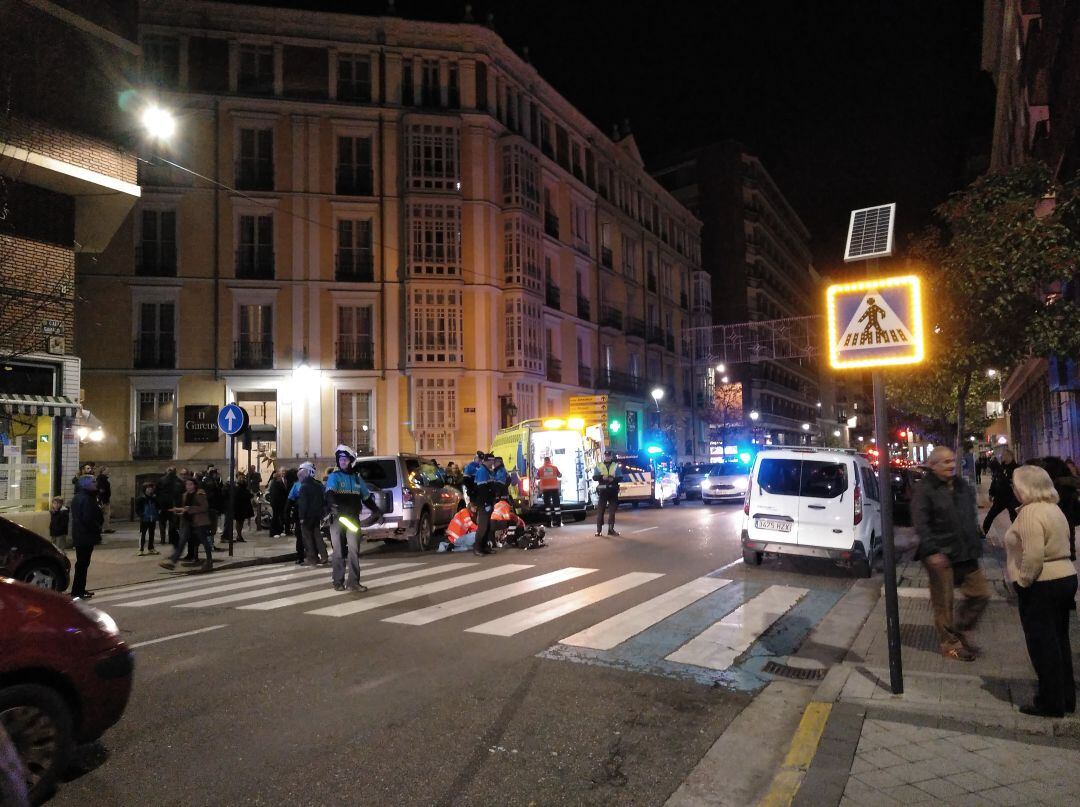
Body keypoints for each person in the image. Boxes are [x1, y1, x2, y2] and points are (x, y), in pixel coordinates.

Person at [999, 464, 1077, 717]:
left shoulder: (1031, 513)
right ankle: (1065, 697)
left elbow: (1033, 556)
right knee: (1059, 641)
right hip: (1064, 577)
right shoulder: (1053, 509)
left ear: (1024, 487)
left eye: (1015, 483)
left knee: (1043, 644)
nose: (1013, 488)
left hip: (1042, 583)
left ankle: (1050, 701)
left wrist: (1022, 581)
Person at [911, 446, 991, 662]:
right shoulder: (925, 488)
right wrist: (932, 551)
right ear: (932, 465)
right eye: (945, 462)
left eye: (952, 461)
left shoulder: (961, 485)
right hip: (940, 554)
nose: (950, 465)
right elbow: (921, 523)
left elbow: (970, 515)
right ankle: (950, 645)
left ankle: (958, 628)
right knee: (943, 602)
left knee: (981, 593)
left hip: (965, 551)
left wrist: (976, 537)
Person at [326, 445, 383, 591]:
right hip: (338, 519)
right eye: (340, 459)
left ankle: (353, 582)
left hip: (353, 519)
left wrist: (376, 511)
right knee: (338, 551)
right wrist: (332, 504)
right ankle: (338, 581)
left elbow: (366, 497)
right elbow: (330, 492)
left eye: (345, 459)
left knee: (354, 551)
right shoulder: (334, 476)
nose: (342, 462)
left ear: (351, 460)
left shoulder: (357, 479)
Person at [160, 476, 213, 572]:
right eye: (187, 484)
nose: (188, 486)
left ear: (195, 485)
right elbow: (186, 508)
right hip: (188, 522)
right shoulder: (185, 495)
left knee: (204, 541)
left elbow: (204, 508)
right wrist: (178, 510)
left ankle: (209, 561)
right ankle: (173, 562)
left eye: (190, 484)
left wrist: (190, 509)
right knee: (182, 541)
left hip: (199, 522)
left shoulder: (199, 493)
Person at [1038, 456, 1078, 561]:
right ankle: (1070, 552)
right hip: (1068, 514)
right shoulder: (1065, 480)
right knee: (1069, 528)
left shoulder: (1059, 483)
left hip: (1063, 514)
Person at [69, 475, 103, 599]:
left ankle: (78, 589)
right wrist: (97, 528)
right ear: (85, 484)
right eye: (93, 482)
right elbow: (88, 518)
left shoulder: (77, 497)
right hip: (86, 535)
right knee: (83, 564)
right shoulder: (87, 498)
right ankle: (78, 590)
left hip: (79, 534)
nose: (96, 483)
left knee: (81, 564)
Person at [472, 453, 508, 555]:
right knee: (483, 526)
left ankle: (485, 547)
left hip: (488, 502)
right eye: (492, 461)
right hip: (484, 503)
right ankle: (477, 547)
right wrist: (486, 503)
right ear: (487, 461)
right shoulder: (482, 472)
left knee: (488, 526)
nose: (493, 463)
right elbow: (482, 490)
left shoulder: (488, 471)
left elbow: (491, 487)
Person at [296, 462, 329, 566]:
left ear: (303, 476)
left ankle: (312, 558)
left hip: (307, 516)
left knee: (307, 538)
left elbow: (303, 504)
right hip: (317, 515)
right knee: (317, 536)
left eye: (300, 476)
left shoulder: (303, 487)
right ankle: (324, 556)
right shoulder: (318, 485)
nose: (299, 479)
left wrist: (301, 517)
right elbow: (322, 500)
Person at [983, 449, 1020, 535]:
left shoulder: (1016, 468)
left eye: (1005, 455)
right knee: (990, 515)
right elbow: (994, 481)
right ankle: (983, 532)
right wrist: (991, 493)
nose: (1003, 457)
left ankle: (1019, 535)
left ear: (1011, 456)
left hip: (1012, 498)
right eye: (1002, 455)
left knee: (1015, 518)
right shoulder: (1000, 468)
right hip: (1000, 498)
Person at [593, 450, 623, 537]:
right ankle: (599, 531)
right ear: (604, 456)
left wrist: (613, 479)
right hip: (603, 491)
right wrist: (602, 477)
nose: (607, 457)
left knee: (612, 511)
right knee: (600, 511)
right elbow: (594, 477)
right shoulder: (599, 465)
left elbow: (620, 477)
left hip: (613, 490)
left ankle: (610, 529)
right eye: (606, 455)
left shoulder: (615, 465)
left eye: (609, 455)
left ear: (611, 456)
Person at [537, 456, 563, 527]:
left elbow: (537, 477)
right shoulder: (554, 467)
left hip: (546, 490)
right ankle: (558, 522)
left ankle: (548, 522)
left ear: (544, 461)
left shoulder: (540, 469)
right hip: (554, 489)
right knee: (556, 505)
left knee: (547, 506)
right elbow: (560, 475)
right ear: (549, 460)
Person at [134, 482, 160, 555]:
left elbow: (157, 506)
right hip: (144, 519)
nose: (150, 489)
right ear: (145, 489)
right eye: (148, 488)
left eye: (151, 488)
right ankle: (141, 549)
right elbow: (137, 509)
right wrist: (141, 515)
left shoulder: (154, 498)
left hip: (152, 518)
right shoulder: (140, 498)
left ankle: (151, 548)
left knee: (152, 534)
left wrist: (156, 514)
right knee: (143, 534)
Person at [231, 472, 255, 542]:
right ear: (237, 477)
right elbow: (240, 495)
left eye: (242, 477)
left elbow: (245, 492)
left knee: (241, 521)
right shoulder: (236, 486)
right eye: (240, 477)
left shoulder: (243, 484)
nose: (241, 479)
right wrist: (249, 495)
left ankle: (239, 535)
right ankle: (239, 535)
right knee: (239, 521)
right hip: (238, 506)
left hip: (243, 505)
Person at [267, 470, 289, 538]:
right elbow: (276, 495)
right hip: (277, 504)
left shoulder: (277, 483)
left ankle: (279, 531)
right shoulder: (275, 483)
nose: (281, 477)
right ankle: (273, 532)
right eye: (279, 476)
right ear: (277, 477)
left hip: (280, 503)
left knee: (280, 517)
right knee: (275, 518)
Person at [96, 465, 115, 533]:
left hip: (104, 498)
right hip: (104, 499)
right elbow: (101, 489)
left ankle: (106, 527)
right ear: (103, 470)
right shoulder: (102, 478)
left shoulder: (103, 478)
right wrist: (103, 499)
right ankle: (105, 528)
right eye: (107, 470)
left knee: (106, 514)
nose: (108, 471)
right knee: (105, 513)